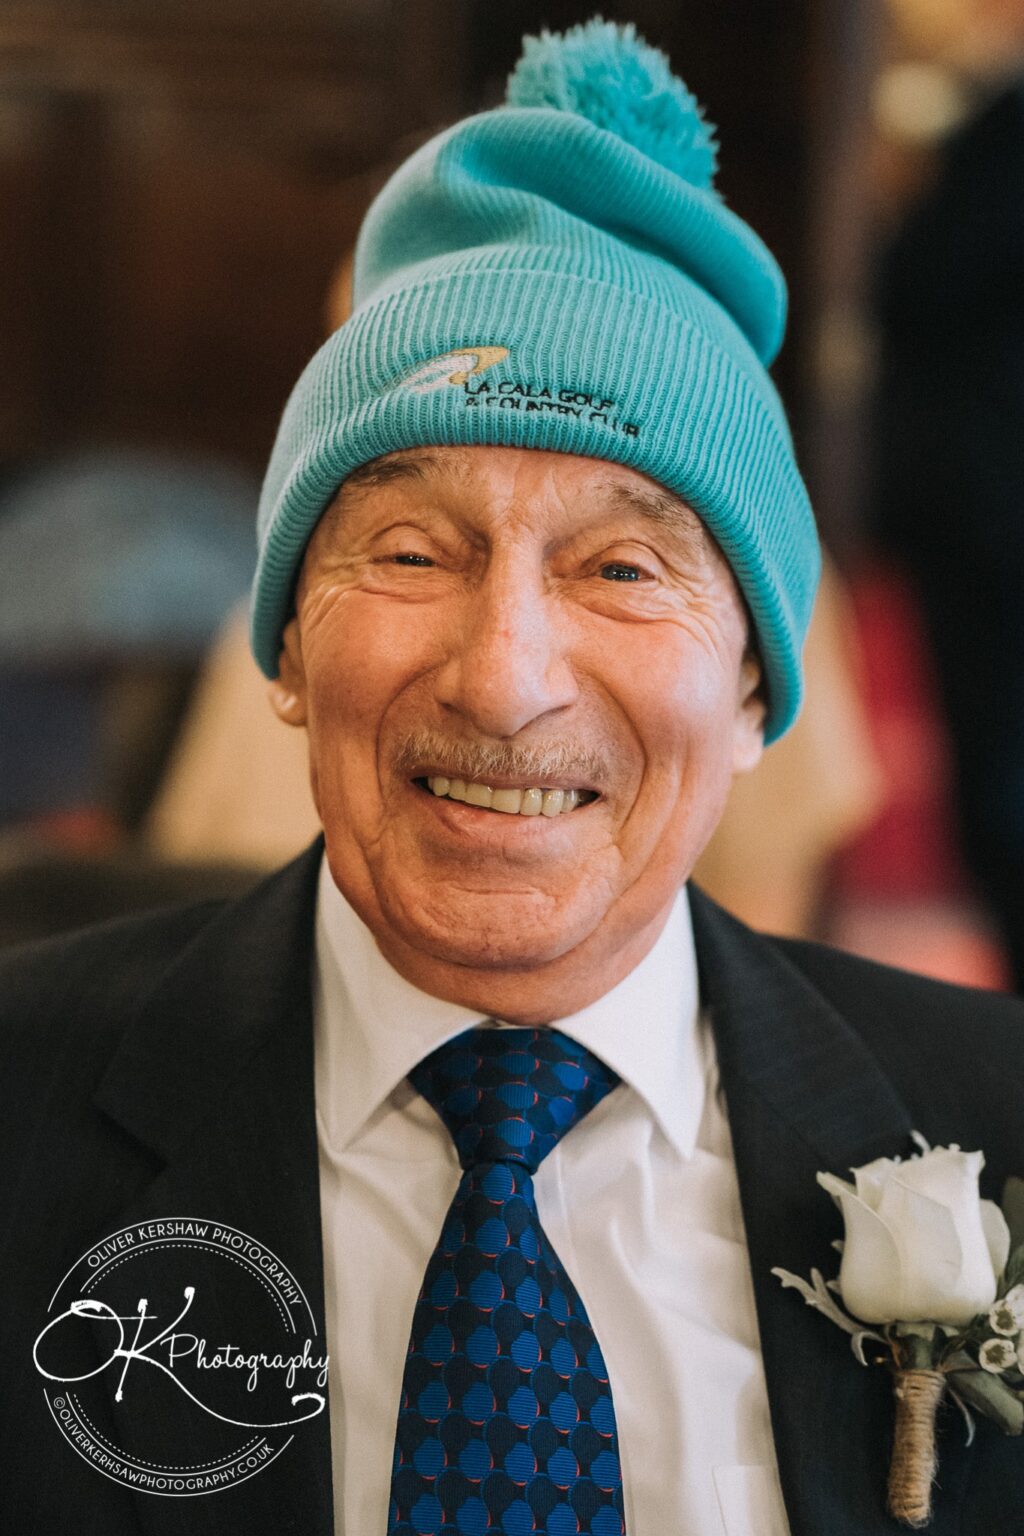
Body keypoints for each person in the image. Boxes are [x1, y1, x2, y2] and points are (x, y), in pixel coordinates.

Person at [2, 21, 1022, 1536]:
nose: (504, 674)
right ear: (284, 642)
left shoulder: (995, 1119)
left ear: (754, 695)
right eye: (412, 552)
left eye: (621, 567)